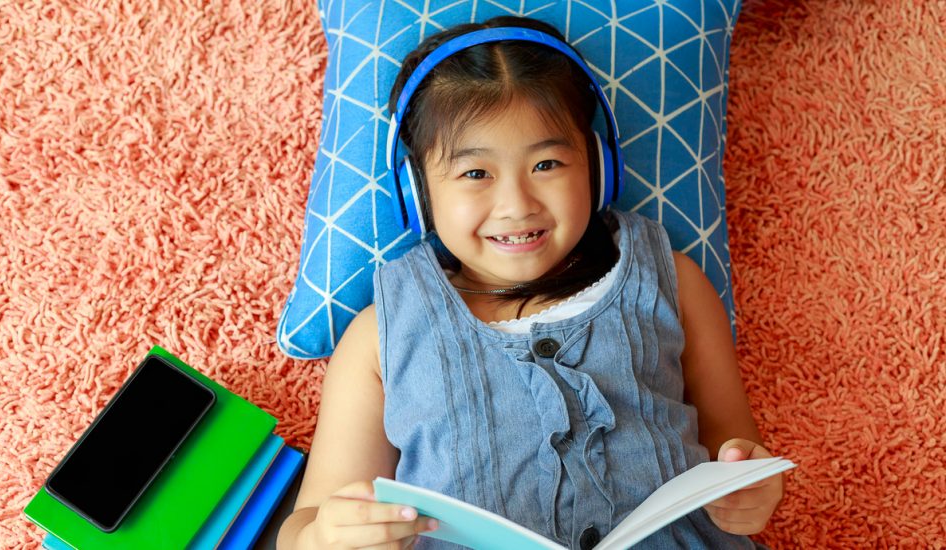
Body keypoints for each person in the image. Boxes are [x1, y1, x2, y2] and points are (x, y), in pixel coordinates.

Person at [279, 15, 785, 550]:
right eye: (476, 173)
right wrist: (325, 538)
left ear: (598, 166)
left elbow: (735, 446)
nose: (518, 204)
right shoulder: (379, 337)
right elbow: (304, 522)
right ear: (417, 192)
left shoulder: (674, 282)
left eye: (547, 163)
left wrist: (749, 488)